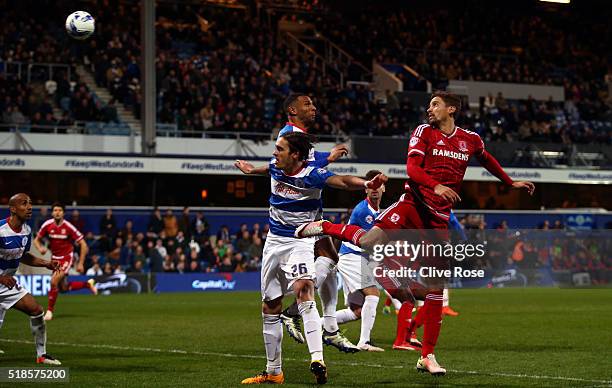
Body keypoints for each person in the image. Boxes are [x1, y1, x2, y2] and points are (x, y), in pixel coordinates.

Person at [296, 91, 535, 376]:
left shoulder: (470, 139)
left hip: (437, 219)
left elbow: (487, 159)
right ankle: (326, 227)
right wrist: (435, 186)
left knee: (437, 288)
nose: (430, 109)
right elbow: (412, 168)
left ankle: (427, 356)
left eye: (435, 104)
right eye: (429, 104)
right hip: (413, 204)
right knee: (371, 239)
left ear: (452, 109)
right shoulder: (423, 132)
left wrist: (510, 182)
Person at [236, 132, 387, 385]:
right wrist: (251, 171)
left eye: (280, 149)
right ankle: (274, 372)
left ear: (295, 155)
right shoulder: (276, 166)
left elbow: (341, 180)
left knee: (304, 289)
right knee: (269, 306)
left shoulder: (313, 174)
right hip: (273, 242)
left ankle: (317, 358)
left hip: (301, 240)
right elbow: (268, 168)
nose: (275, 153)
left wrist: (365, 184)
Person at [240, 93, 357, 353]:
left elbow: (292, 164)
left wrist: (253, 170)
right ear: (292, 110)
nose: (314, 108)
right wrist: (330, 156)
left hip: (310, 212)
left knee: (330, 261)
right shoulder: (290, 132)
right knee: (323, 263)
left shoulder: (298, 134)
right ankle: (302, 316)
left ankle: (328, 328)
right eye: (308, 104)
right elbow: (298, 165)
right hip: (299, 219)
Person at [0, 193, 62, 365]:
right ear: (12, 209)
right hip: (2, 280)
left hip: (8, 284)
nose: (29, 207)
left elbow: (23, 256)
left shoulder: (26, 230)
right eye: (24, 203)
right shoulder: (0, 230)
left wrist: (45, 263)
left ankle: (41, 355)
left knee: (36, 310)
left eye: (30, 203)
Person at [333, 170, 386, 352]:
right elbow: (371, 241)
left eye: (378, 185)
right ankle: (364, 342)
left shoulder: (377, 212)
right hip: (352, 256)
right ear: (366, 189)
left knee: (355, 311)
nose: (375, 189)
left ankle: (316, 324)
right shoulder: (364, 211)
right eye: (371, 185)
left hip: (354, 257)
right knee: (373, 294)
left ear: (384, 188)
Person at [34, 202, 97, 321]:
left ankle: (49, 312)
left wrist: (81, 263)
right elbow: (36, 240)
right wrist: (40, 248)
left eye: (60, 210)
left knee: (53, 281)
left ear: (63, 213)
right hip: (54, 259)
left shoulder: (69, 227)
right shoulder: (47, 225)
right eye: (55, 210)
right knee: (63, 288)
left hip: (66, 258)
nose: (57, 212)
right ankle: (87, 284)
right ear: (52, 213)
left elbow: (83, 244)